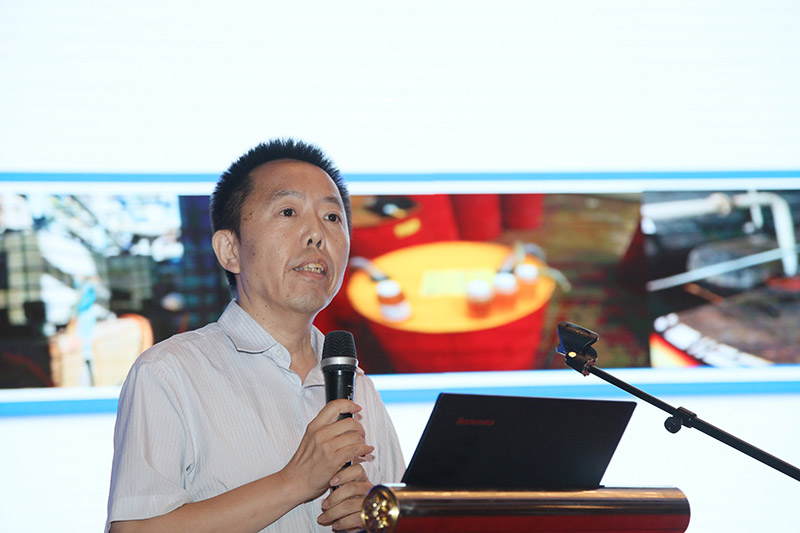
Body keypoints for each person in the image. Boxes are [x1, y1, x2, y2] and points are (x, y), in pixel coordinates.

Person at [105, 139, 405, 532]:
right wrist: (295, 482)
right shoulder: (168, 373)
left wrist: (373, 519)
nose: (316, 235)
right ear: (230, 250)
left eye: (332, 217)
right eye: (288, 212)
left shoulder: (358, 388)